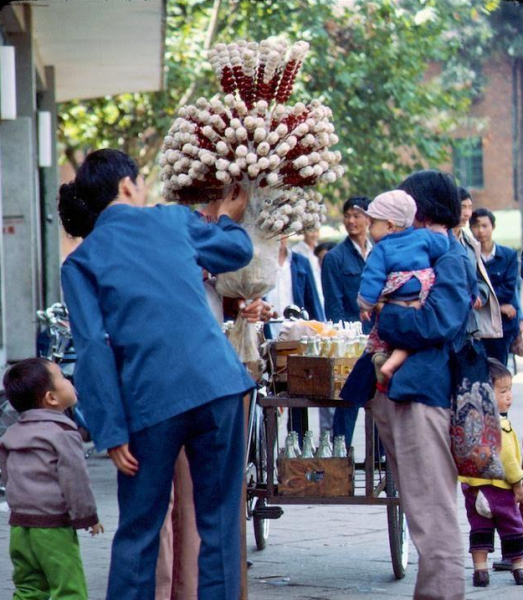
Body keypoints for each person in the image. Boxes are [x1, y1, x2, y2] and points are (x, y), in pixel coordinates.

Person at [58, 148, 255, 600]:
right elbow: (237, 250)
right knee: (220, 522)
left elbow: (91, 348)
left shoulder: (80, 263)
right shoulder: (172, 220)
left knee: (140, 529)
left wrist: (110, 430)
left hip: (149, 403)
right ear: (128, 185)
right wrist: (224, 217)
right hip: (218, 386)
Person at [368, 170, 472, 600]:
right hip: (404, 391)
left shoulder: (450, 256)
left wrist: (386, 314)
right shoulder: (421, 253)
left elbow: (437, 323)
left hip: (425, 393)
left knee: (432, 510)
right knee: (421, 505)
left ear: (421, 209)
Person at [0, 358, 103, 600]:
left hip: (20, 526)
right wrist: (87, 516)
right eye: (62, 378)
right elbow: (75, 480)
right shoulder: (64, 434)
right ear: (52, 398)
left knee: (28, 588)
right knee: (68, 588)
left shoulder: (12, 434)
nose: (69, 381)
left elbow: (7, 473)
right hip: (52, 526)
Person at [356, 190, 449, 382]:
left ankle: (386, 360)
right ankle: (392, 363)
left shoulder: (381, 249)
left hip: (397, 300)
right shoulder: (423, 236)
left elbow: (372, 279)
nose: (369, 228)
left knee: (392, 332)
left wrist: (365, 304)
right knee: (410, 336)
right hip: (421, 298)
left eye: (372, 223)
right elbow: (443, 245)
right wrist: (439, 228)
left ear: (390, 226)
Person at [459, 359, 523, 587]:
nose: (509, 397)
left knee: (480, 528)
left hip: (474, 490)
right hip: (499, 489)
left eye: (510, 391)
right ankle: (518, 567)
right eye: (503, 391)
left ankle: (480, 570)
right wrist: (517, 482)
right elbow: (507, 459)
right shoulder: (500, 426)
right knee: (512, 526)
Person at [322, 196, 372, 447]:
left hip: (379, 341)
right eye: (347, 215)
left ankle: (384, 465)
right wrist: (346, 342)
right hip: (350, 344)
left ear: (369, 218)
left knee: (380, 408)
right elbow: (333, 307)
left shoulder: (379, 253)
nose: (351, 220)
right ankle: (340, 461)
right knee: (347, 405)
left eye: (357, 215)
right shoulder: (335, 258)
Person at [452, 187, 502, 342]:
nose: (467, 213)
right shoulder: (440, 240)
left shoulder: (470, 243)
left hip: (471, 326)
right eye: (462, 207)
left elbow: (481, 280)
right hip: (449, 322)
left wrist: (478, 294)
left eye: (470, 207)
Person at [470, 208, 518, 366]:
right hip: (477, 327)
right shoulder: (469, 256)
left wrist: (485, 301)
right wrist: (499, 305)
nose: (481, 231)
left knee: (500, 371)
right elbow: (469, 291)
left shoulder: (508, 255)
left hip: (501, 328)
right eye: (476, 226)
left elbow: (509, 289)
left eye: (485, 226)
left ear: (493, 227)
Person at [292, 230, 324, 307]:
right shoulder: (296, 252)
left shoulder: (320, 251)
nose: (314, 235)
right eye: (311, 231)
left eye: (317, 231)